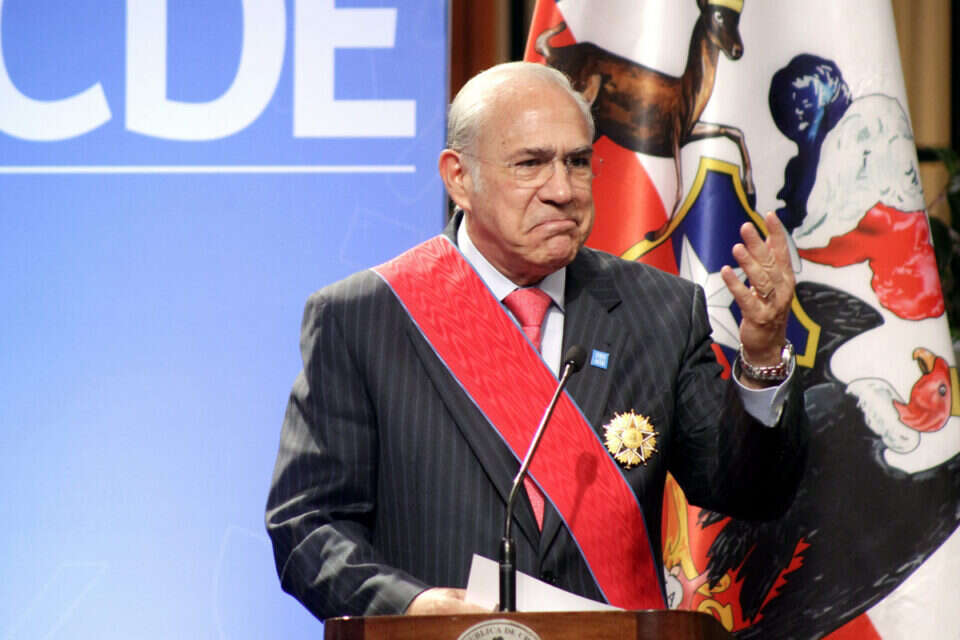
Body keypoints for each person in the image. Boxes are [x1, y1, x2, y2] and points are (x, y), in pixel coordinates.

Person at [265, 61, 806, 620]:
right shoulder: (363, 318)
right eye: (530, 164)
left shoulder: (661, 311)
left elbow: (750, 491)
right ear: (458, 177)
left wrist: (763, 356)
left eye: (577, 162)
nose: (563, 191)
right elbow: (308, 526)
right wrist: (411, 605)